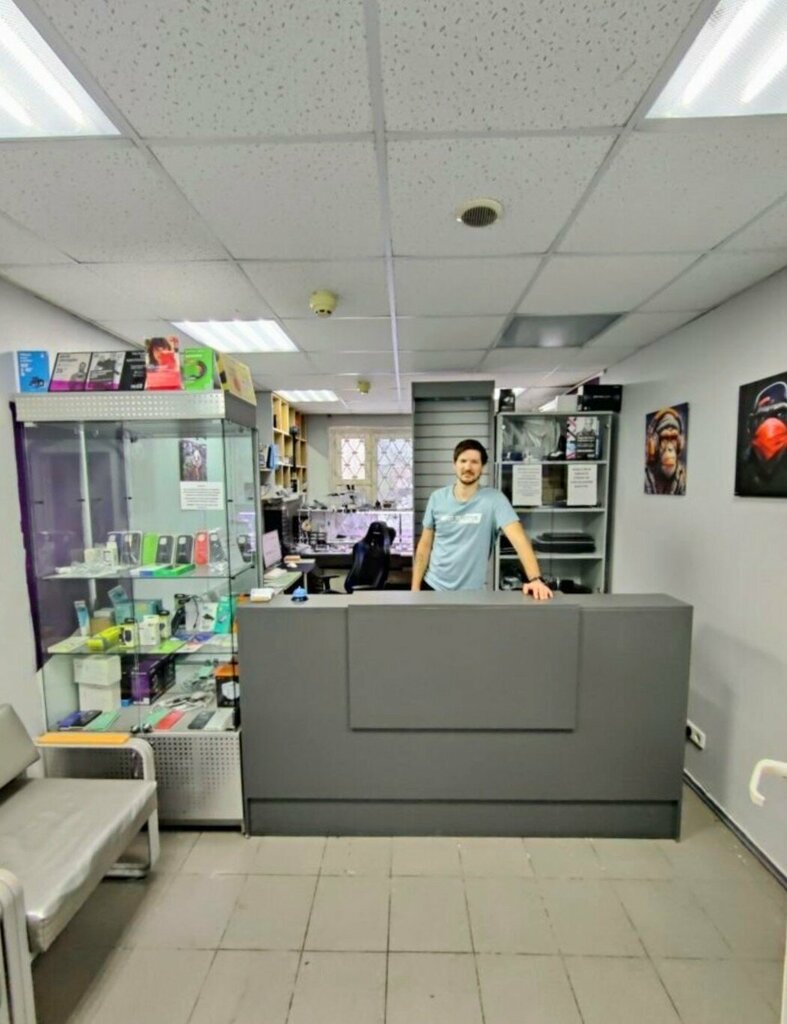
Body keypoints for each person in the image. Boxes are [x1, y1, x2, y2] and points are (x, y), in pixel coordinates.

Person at [411, 439, 553, 600]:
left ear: (482, 467)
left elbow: (519, 540)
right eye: (463, 461)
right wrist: (415, 588)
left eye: (474, 462)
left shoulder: (495, 500)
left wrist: (535, 579)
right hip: (432, 586)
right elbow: (424, 546)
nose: (468, 467)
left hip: (471, 594)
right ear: (454, 464)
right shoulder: (437, 498)